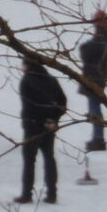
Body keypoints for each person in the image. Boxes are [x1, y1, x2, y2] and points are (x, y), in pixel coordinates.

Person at [17, 56, 67, 204]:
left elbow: (29, 104)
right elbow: (63, 102)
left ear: (28, 66)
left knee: (29, 160)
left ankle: (27, 194)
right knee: (49, 158)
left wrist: (37, 120)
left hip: (32, 125)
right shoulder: (52, 80)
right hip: (49, 125)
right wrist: (53, 118)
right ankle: (52, 193)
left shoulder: (26, 81)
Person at [78, 11, 107, 150]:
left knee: (95, 108)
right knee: (94, 107)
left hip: (95, 77)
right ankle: (97, 137)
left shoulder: (102, 36)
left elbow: (89, 51)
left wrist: (84, 48)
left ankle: (98, 138)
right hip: (97, 76)